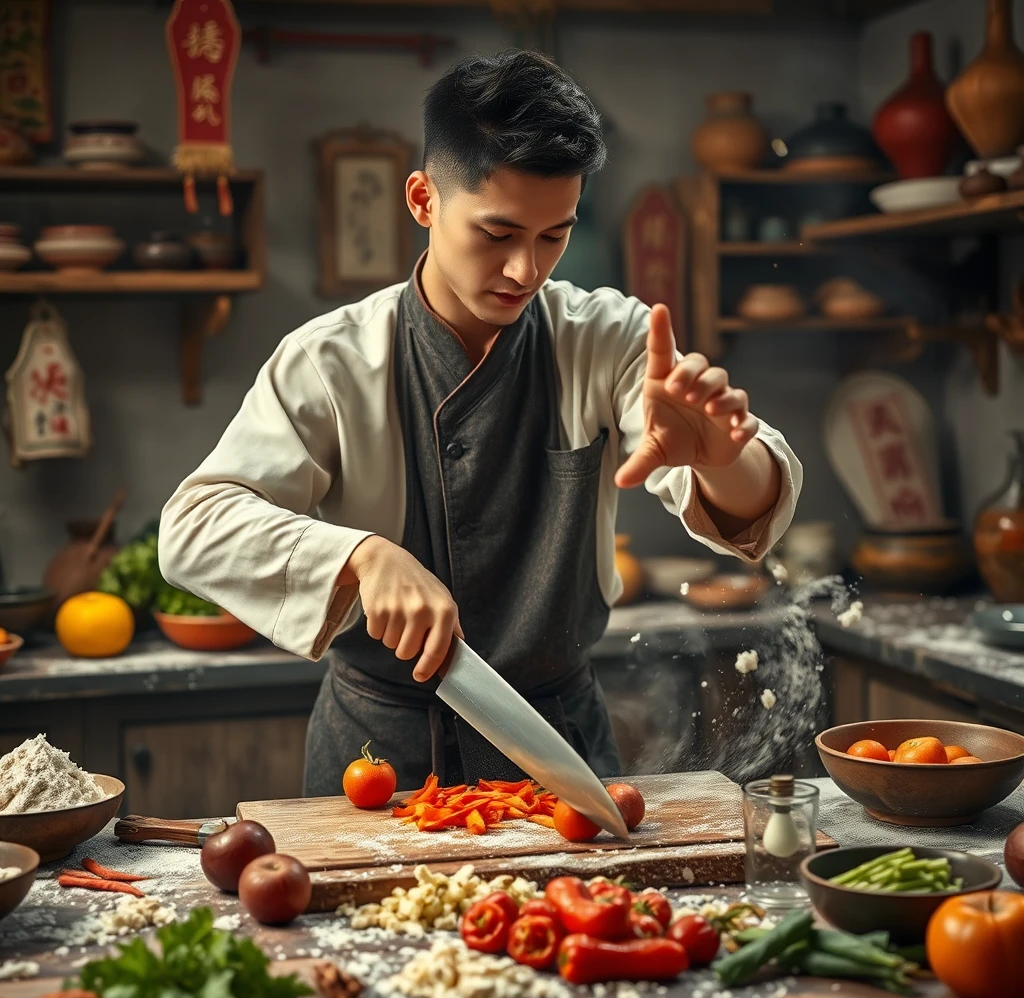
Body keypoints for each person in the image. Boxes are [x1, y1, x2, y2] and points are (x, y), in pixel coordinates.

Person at [159, 49, 803, 795]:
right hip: (376, 759)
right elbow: (193, 526)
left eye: (553, 236)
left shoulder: (608, 337)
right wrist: (360, 556)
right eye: (498, 235)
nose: (527, 271)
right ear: (424, 200)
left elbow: (753, 501)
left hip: (556, 745)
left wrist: (723, 458)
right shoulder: (331, 360)